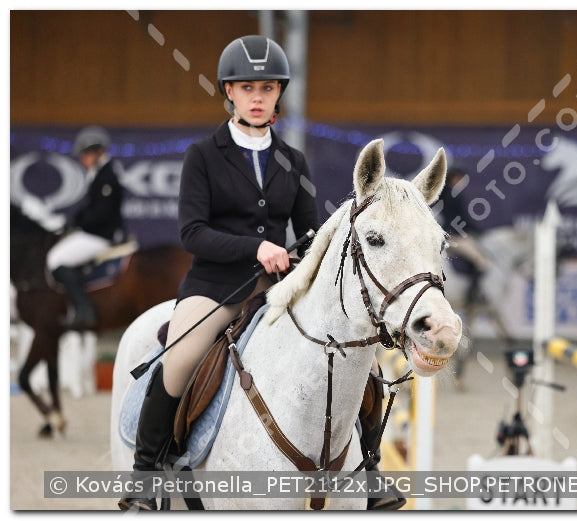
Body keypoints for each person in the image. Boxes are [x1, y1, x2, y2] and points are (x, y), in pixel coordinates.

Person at [119, 35, 401, 511]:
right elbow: (192, 232)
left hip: (280, 288)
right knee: (179, 361)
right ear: (229, 91)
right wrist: (255, 247)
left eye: (267, 88)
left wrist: (307, 261)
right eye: (246, 87)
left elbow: (309, 234)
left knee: (365, 364)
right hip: (215, 286)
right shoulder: (202, 155)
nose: (256, 97)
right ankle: (145, 474)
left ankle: (370, 470)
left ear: (278, 94)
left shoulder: (293, 160)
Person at [46, 125, 124, 329]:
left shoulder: (107, 176)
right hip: (93, 233)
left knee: (56, 259)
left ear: (98, 152)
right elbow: (89, 208)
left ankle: (83, 309)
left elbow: (101, 214)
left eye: (86, 154)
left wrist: (77, 224)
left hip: (100, 236)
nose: (82, 159)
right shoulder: (98, 173)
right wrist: (71, 222)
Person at [438, 166, 489, 304]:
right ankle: (473, 295)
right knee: (482, 262)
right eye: (460, 178)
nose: (462, 181)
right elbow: (462, 218)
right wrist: (475, 229)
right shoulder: (453, 194)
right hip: (455, 236)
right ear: (455, 178)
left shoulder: (445, 192)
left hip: (450, 233)